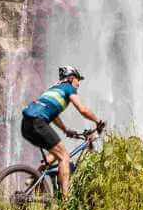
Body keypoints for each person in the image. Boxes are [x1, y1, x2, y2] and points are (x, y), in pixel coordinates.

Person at [19, 66, 104, 195]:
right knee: (64, 155)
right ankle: (66, 199)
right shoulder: (68, 88)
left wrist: (66, 130)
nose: (79, 83)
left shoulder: (53, 89)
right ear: (70, 79)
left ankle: (34, 176)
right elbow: (82, 110)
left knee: (55, 152)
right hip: (38, 122)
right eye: (77, 79)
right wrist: (98, 121)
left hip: (26, 125)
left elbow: (54, 116)